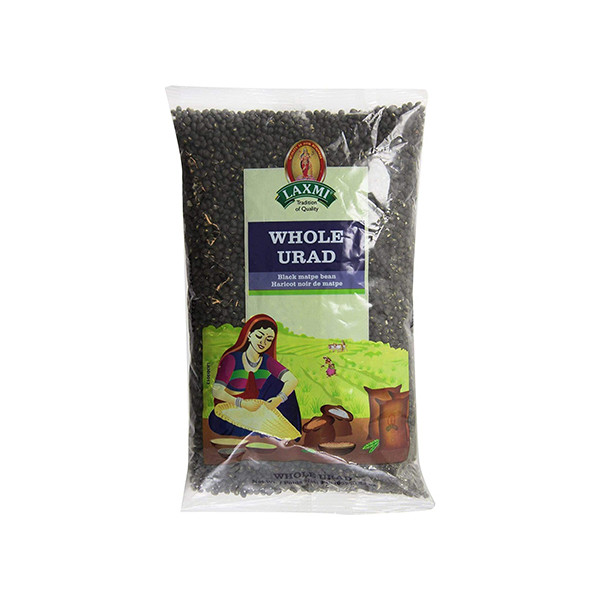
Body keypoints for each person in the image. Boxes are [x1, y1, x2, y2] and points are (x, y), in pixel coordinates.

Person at [208, 314, 301, 437]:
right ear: (249, 335)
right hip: (232, 409)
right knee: (220, 423)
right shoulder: (232, 359)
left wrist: (278, 400)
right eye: (259, 336)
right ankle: (263, 433)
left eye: (269, 339)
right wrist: (242, 404)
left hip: (257, 411)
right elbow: (217, 391)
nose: (263, 342)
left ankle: (284, 431)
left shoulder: (267, 360)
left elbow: (292, 380)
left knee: (279, 383)